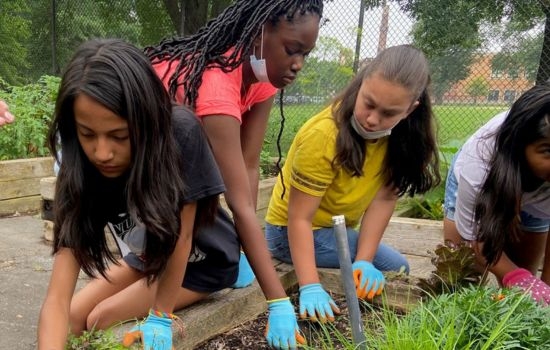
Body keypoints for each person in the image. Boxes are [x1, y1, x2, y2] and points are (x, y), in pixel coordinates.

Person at [38, 39, 239, 350]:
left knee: (100, 318)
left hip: (201, 261)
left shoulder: (180, 134)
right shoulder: (81, 165)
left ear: (147, 121)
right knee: (75, 315)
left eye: (119, 135)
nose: (101, 153)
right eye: (88, 134)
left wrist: (160, 316)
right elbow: (57, 299)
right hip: (148, 255)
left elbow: (181, 240)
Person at [146, 1, 323, 348]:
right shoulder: (216, 83)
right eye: (292, 50)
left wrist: (245, 247)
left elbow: (249, 164)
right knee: (187, 227)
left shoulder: (262, 80)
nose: (298, 64)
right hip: (131, 151)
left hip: (175, 151)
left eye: (306, 54)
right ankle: (153, 307)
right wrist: (277, 301)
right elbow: (235, 199)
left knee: (222, 246)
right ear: (259, 34)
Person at [265, 45, 441, 321]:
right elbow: (298, 218)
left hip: (335, 229)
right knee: (395, 267)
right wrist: (310, 285)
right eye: (369, 104)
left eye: (389, 113)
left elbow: (384, 199)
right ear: (360, 84)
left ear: (410, 110)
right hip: (289, 232)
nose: (373, 119)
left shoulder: (402, 139)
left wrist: (363, 260)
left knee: (395, 269)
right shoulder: (323, 135)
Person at [443, 84, 550, 305]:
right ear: (521, 145)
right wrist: (516, 276)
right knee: (462, 280)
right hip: (488, 188)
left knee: (523, 297)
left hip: (540, 195)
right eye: (548, 151)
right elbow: (475, 239)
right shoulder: (480, 162)